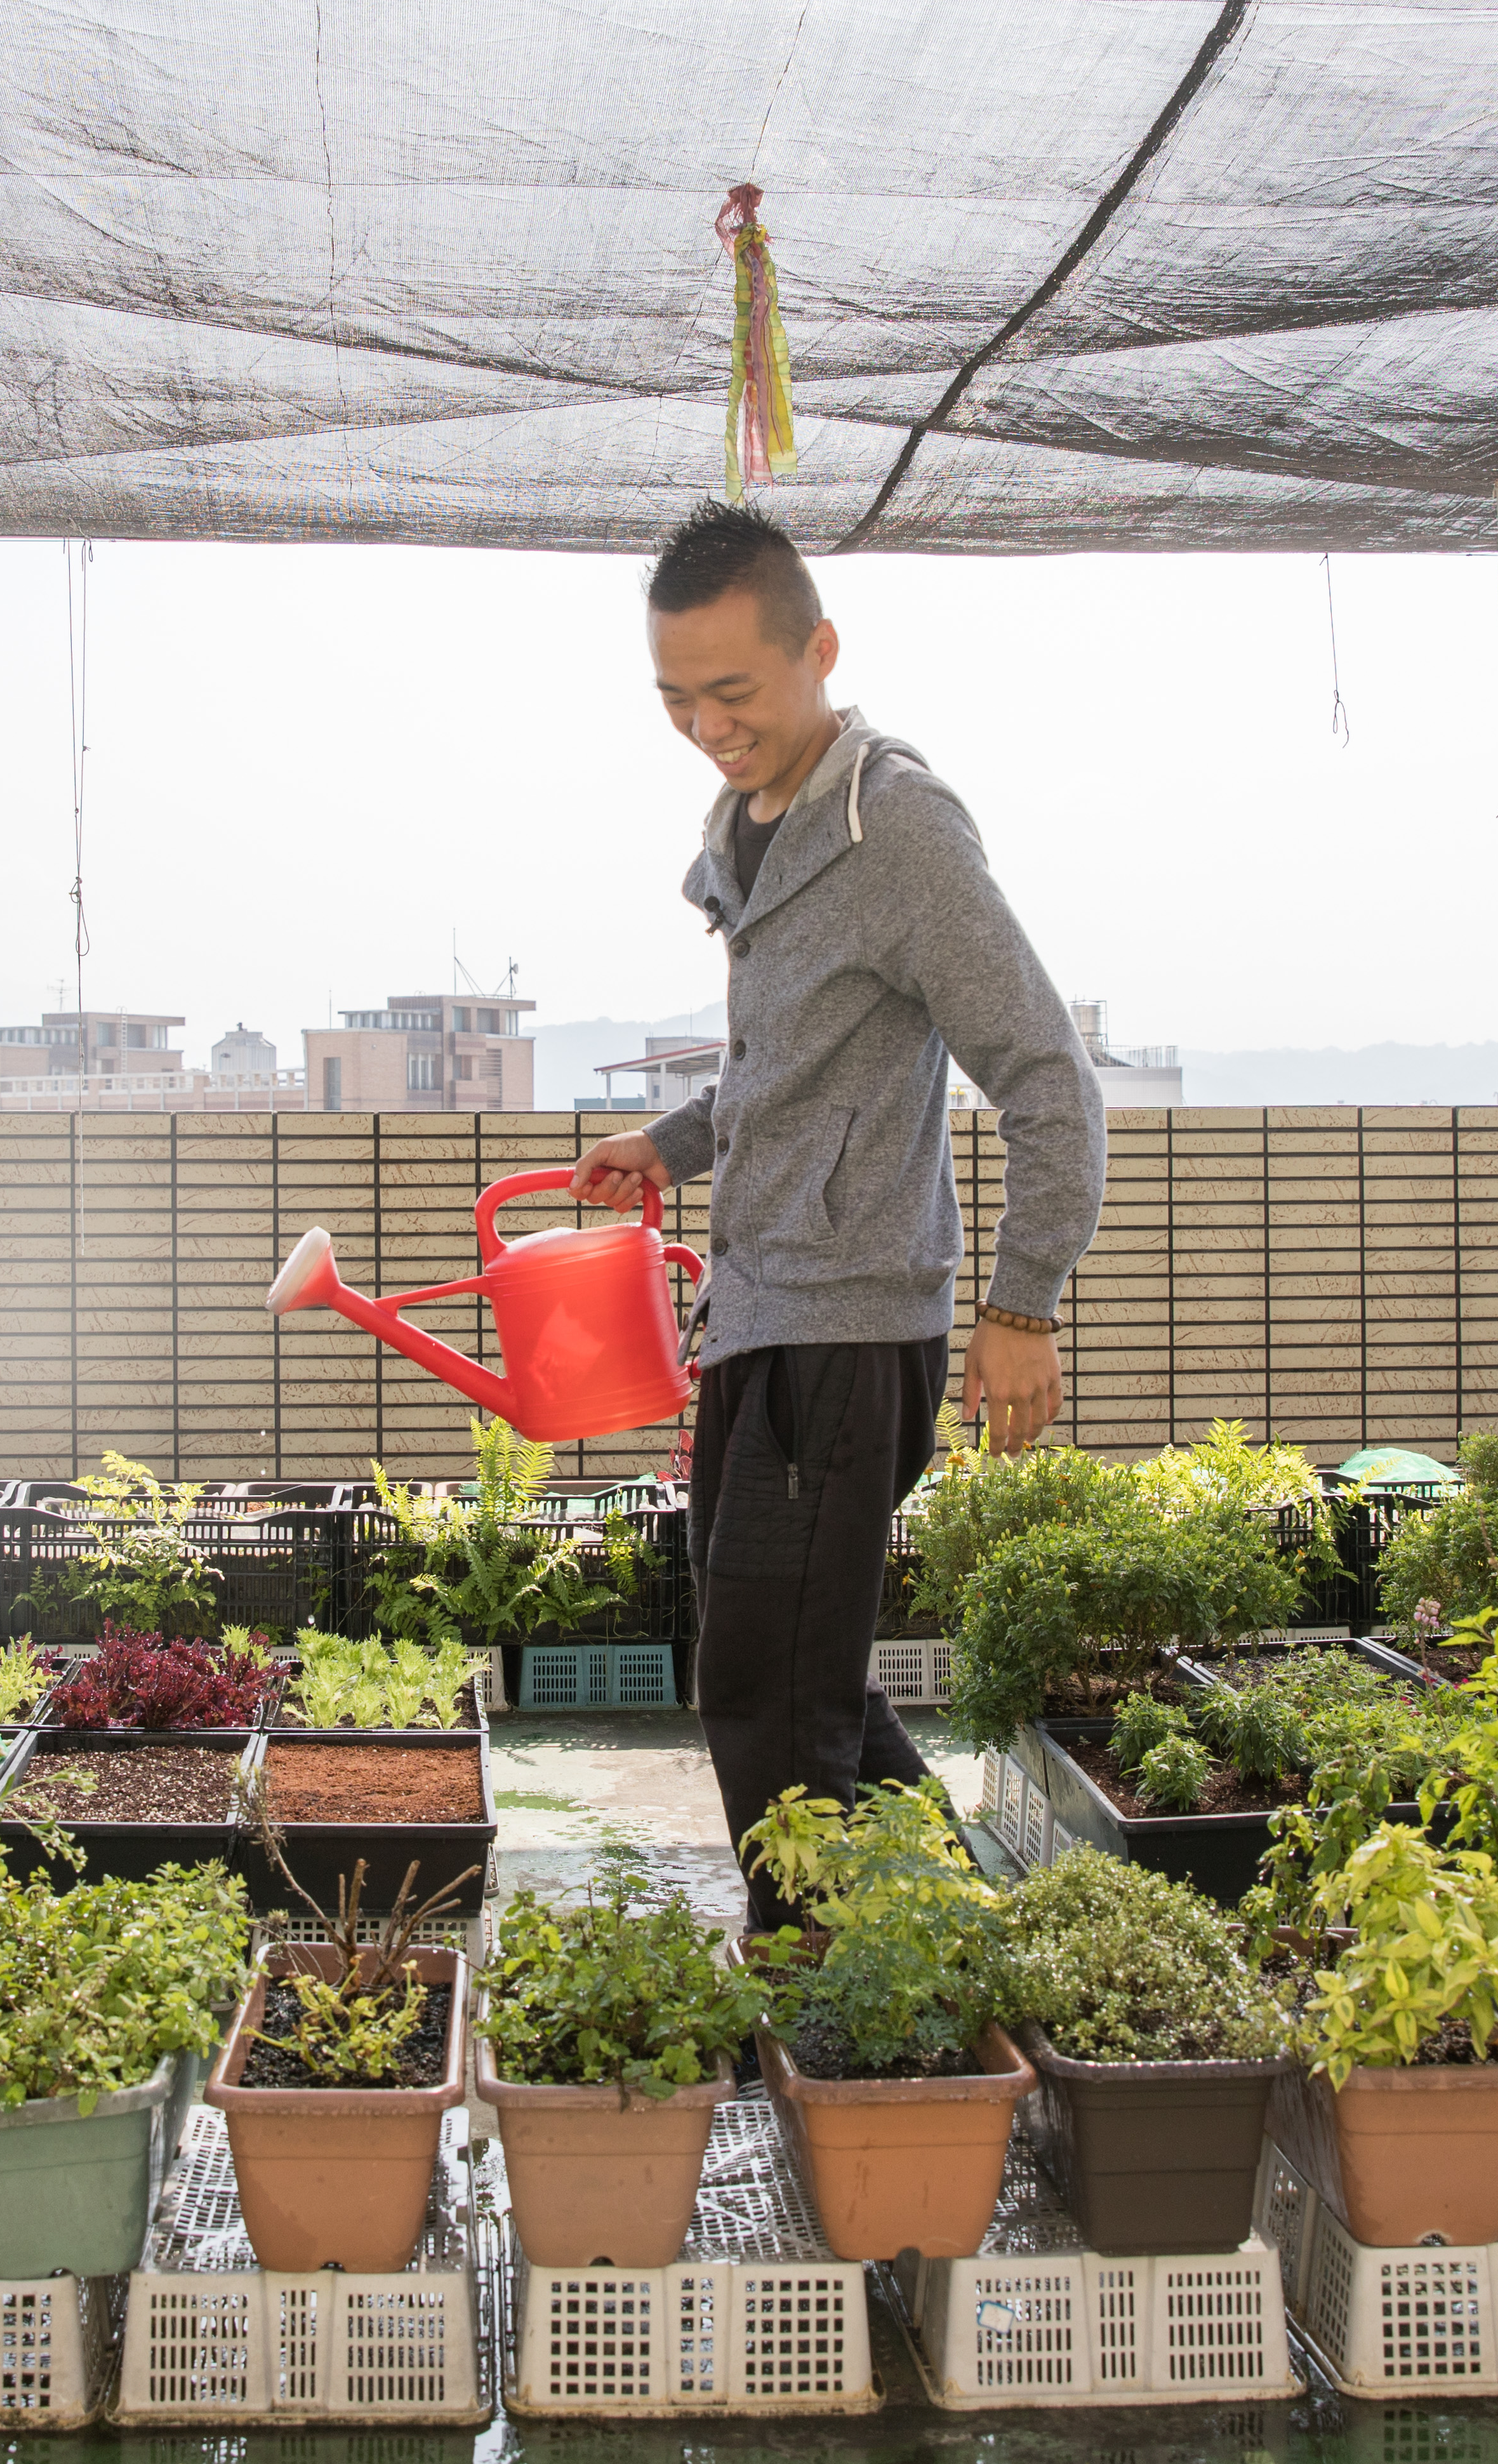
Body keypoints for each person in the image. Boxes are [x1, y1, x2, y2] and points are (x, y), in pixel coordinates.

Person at [567, 502, 1102, 1929]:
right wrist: (675, 1143)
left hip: (849, 1337)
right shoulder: (751, 823)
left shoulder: (894, 825)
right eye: (676, 698)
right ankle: (957, 1950)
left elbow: (1049, 1077)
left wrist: (1021, 1302)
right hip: (758, 1322)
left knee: (763, 1698)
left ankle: (825, 2007)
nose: (705, 725)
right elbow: (799, 1069)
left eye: (732, 692)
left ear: (820, 648)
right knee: (809, 1677)